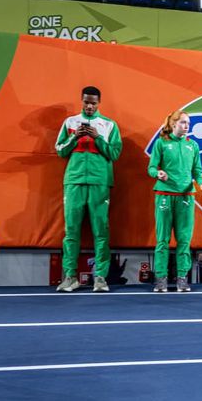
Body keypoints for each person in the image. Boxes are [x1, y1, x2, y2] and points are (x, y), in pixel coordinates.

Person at [54, 86, 122, 293]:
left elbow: (115, 153)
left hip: (100, 182)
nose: (90, 106)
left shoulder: (109, 125)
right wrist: (75, 137)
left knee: (101, 230)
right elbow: (59, 150)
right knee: (71, 231)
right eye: (86, 102)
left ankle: (100, 278)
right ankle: (70, 277)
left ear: (99, 103)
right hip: (74, 181)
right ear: (82, 101)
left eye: (93, 103)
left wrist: (97, 137)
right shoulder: (70, 122)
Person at [147, 110, 202, 292]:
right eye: (183, 123)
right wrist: (158, 173)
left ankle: (182, 278)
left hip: (186, 197)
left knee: (184, 240)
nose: (186, 126)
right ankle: (161, 279)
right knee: (162, 240)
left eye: (188, 124)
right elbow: (151, 167)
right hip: (164, 196)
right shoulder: (161, 143)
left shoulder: (193, 146)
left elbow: (197, 172)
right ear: (173, 124)